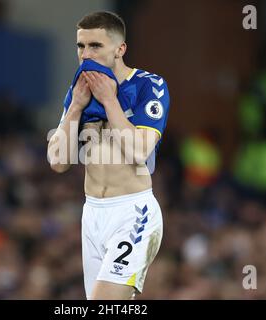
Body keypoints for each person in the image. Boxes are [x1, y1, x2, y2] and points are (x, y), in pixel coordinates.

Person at [47, 11, 170, 300]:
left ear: (120, 49)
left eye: (95, 46)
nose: (85, 54)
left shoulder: (148, 85)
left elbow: (140, 150)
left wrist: (109, 99)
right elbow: (58, 161)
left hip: (132, 213)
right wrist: (76, 107)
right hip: (92, 214)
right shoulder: (78, 91)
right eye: (81, 46)